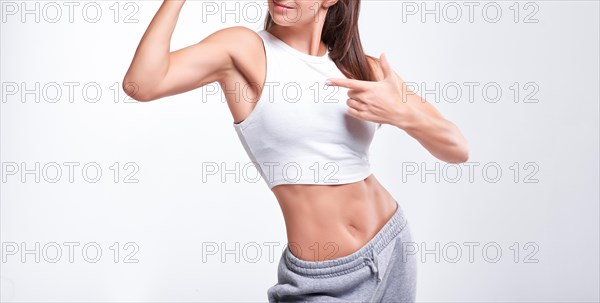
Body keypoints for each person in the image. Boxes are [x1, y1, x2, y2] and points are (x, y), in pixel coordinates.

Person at [122, 0, 469, 301]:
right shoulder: (246, 50)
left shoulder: (364, 69)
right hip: (323, 276)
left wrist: (402, 113)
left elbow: (457, 148)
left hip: (393, 245)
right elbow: (142, 84)